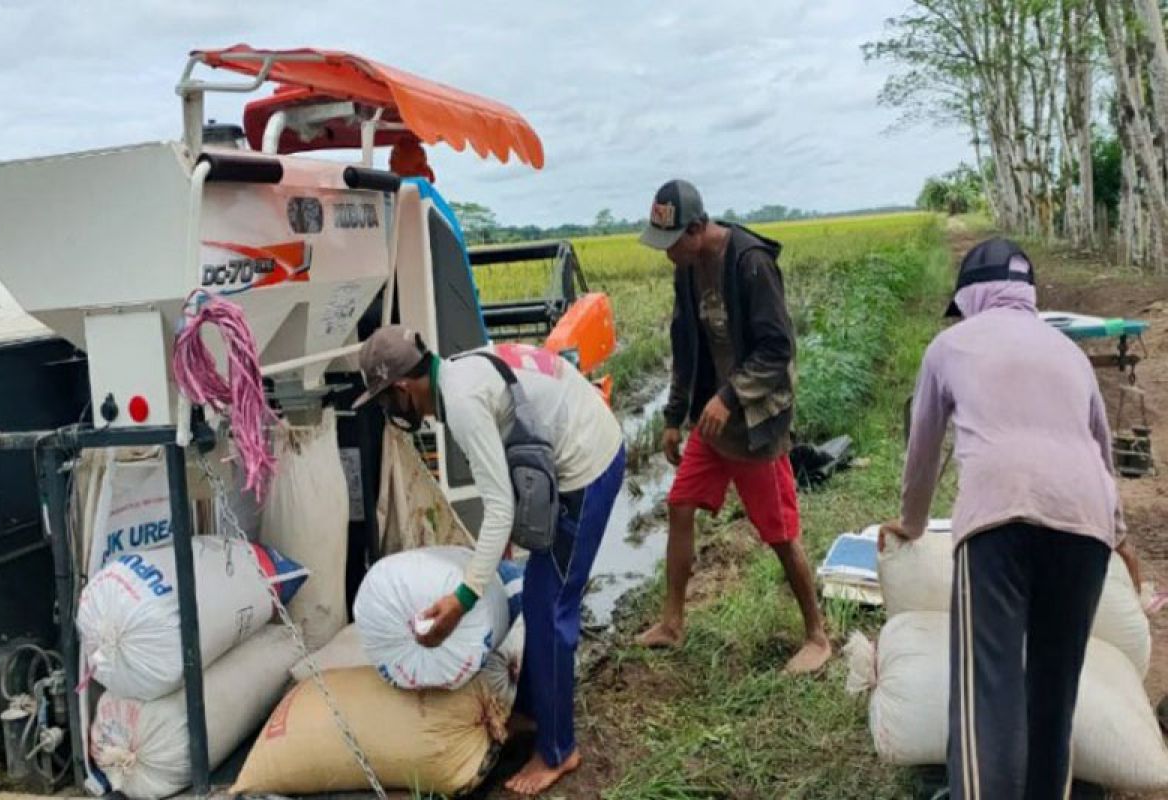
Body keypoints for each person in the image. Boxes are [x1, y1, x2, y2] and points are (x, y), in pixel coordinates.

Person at [880, 238, 1125, 799]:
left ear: (972, 296)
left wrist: (912, 523)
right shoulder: (1069, 352)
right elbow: (1103, 452)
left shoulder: (950, 345)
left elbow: (922, 451)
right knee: (1054, 690)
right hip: (1086, 523)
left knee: (988, 696)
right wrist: (1121, 536)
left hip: (998, 519)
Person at [352, 327, 624, 796]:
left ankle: (558, 750)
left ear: (402, 389)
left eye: (384, 402)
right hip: (578, 439)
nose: (387, 412)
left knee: (552, 608)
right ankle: (535, 714)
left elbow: (498, 507)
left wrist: (462, 597)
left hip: (587, 465)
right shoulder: (459, 370)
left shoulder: (459, 402)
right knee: (540, 596)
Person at [634, 179, 831, 674]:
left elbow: (777, 350)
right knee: (679, 506)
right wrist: (674, 417)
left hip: (756, 422)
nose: (666, 254)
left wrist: (729, 396)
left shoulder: (750, 263)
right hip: (712, 421)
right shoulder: (687, 268)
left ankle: (817, 635)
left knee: (780, 532)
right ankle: (672, 623)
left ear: (698, 228)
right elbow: (685, 346)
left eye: (673, 241)